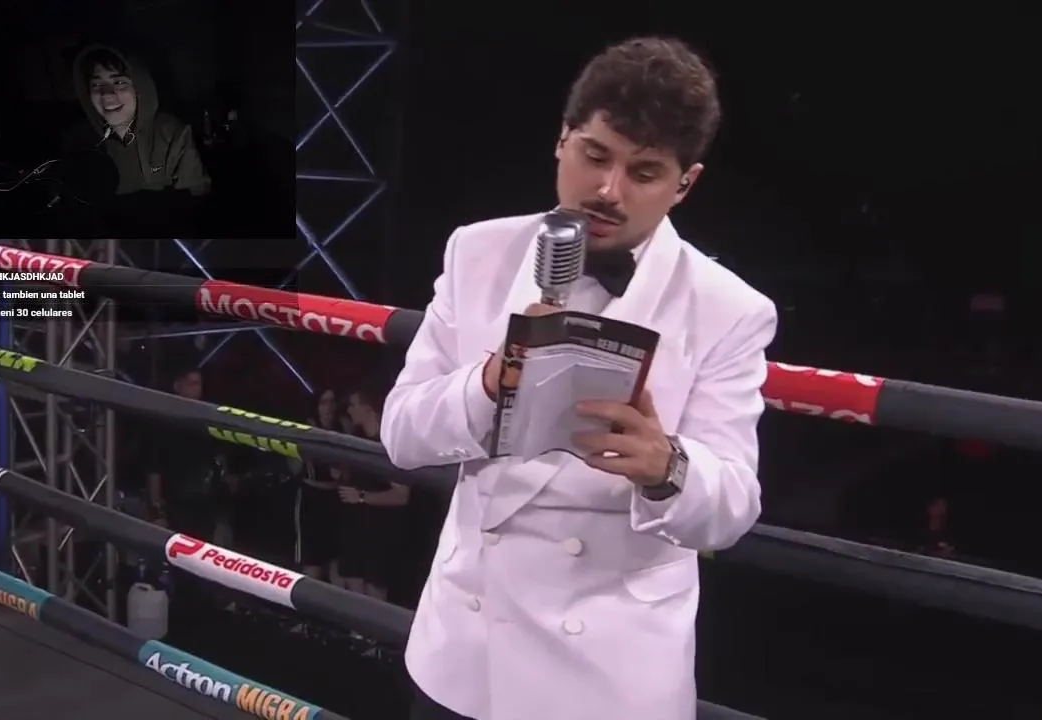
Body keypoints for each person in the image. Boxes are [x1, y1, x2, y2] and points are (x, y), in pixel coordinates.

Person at [380, 37, 777, 720]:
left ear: (685, 184)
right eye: (595, 156)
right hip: (462, 653)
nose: (608, 191)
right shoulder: (477, 251)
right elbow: (401, 435)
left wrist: (667, 467)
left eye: (644, 172)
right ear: (562, 141)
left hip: (606, 681)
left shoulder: (728, 309)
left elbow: (733, 509)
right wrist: (487, 383)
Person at [58, 45, 210, 236]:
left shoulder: (171, 132)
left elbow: (197, 200)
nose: (107, 94)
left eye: (119, 82)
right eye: (96, 85)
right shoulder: (78, 138)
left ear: (139, 87)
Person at [145, 366, 234, 543]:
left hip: (205, 503)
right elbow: (154, 469)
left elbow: (219, 460)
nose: (197, 389)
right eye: (192, 384)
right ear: (178, 387)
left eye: (199, 384)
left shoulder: (207, 422)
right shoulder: (164, 424)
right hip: (177, 504)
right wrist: (157, 511)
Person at [335, 390, 409, 600]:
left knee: (374, 587)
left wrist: (361, 496)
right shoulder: (357, 438)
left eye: (353, 405)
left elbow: (401, 495)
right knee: (351, 581)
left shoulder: (387, 443)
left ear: (368, 408)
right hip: (355, 524)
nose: (349, 410)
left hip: (379, 529)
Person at [291, 388, 345, 582]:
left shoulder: (341, 429)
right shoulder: (305, 430)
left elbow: (349, 471)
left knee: (336, 562)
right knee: (312, 562)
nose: (329, 407)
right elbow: (294, 468)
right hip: (311, 499)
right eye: (324, 402)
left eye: (332, 402)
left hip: (337, 499)